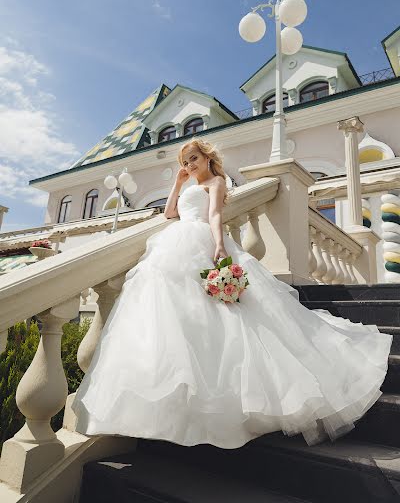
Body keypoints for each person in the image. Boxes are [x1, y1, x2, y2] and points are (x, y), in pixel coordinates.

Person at [72, 137, 392, 449]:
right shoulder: (187, 185)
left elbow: (214, 215)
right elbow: (170, 214)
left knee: (228, 315)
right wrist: (177, 183)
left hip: (201, 239)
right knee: (178, 314)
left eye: (193, 159)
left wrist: (220, 243)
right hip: (174, 241)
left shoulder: (216, 183)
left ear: (207, 158)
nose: (189, 165)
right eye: (185, 162)